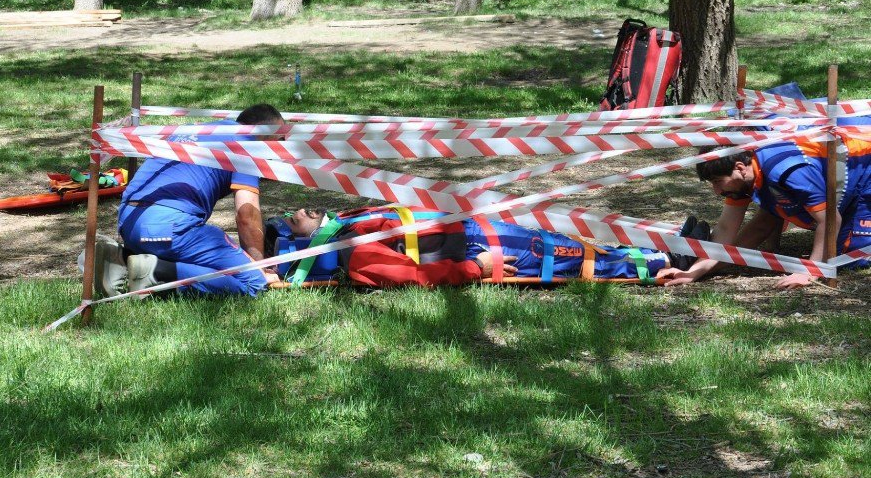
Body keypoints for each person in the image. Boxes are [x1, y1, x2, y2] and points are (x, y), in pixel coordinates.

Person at [93, 104, 285, 297]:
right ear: (263, 131)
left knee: (207, 262)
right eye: (280, 140)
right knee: (254, 283)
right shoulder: (247, 144)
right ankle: (155, 273)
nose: (280, 149)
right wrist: (258, 266)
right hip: (168, 227)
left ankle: (121, 260)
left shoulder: (199, 130)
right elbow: (247, 215)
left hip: (128, 222)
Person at [266, 206, 706, 287]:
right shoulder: (356, 253)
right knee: (570, 257)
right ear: (304, 240)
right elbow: (419, 276)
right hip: (480, 248)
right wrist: (479, 266)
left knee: (569, 241)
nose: (300, 210)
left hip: (473, 228)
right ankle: (667, 259)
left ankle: (667, 242)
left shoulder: (351, 228)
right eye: (294, 218)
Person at [659, 136, 871, 289]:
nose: (717, 191)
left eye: (717, 182)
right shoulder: (743, 179)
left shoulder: (787, 172)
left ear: (740, 167)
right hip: (839, 188)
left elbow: (830, 220)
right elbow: (733, 230)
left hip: (864, 170)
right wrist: (694, 272)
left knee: (853, 258)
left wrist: (809, 271)